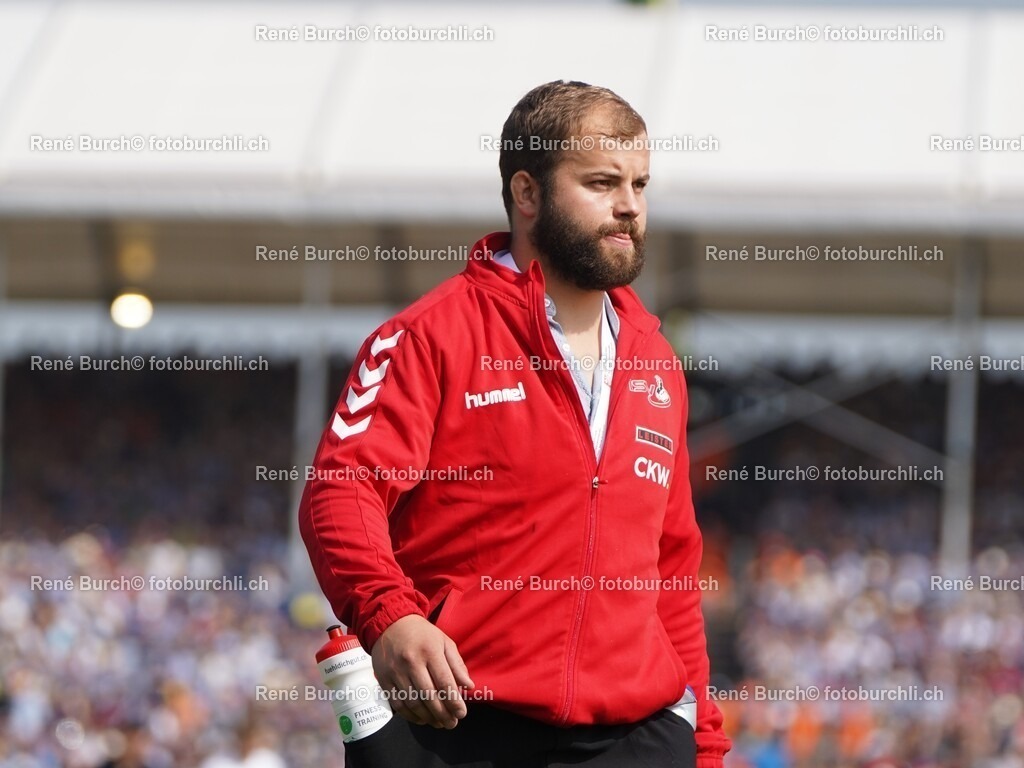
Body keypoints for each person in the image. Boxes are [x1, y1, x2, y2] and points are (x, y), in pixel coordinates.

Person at [298, 79, 731, 768]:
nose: (629, 207)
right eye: (601, 182)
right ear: (527, 194)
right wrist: (390, 615)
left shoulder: (656, 362)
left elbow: (671, 568)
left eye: (640, 185)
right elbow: (341, 489)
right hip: (461, 721)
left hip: (638, 735)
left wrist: (705, 745)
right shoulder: (428, 335)